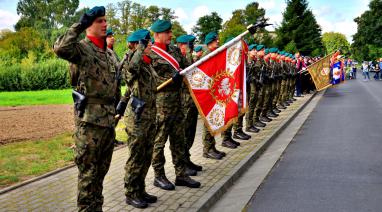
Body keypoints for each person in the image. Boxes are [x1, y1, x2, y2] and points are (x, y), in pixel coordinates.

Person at [54, 6, 120, 211]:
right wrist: (79, 24)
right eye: (99, 21)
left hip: (108, 121)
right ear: (88, 26)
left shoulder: (109, 54)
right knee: (88, 175)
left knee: (100, 174)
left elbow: (115, 84)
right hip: (89, 123)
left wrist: (118, 110)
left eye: (105, 20)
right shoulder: (81, 49)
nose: (105, 24)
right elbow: (60, 48)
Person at [150, 20, 200, 191]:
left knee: (179, 140)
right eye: (167, 32)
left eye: (171, 32)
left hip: (178, 102)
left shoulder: (173, 50)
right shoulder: (150, 53)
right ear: (157, 34)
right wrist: (171, 80)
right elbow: (150, 79)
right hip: (161, 105)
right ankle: (159, 175)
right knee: (159, 142)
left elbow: (186, 68)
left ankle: (181, 174)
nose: (171, 35)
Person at [120, 29, 158, 208]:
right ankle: (131, 192)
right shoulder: (130, 60)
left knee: (146, 155)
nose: (150, 45)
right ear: (136, 44)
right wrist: (139, 51)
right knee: (136, 156)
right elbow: (130, 72)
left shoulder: (146, 62)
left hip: (149, 115)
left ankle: (140, 189)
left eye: (149, 42)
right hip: (136, 117)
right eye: (145, 42)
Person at [176, 34, 203, 175]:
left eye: (191, 44)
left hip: (192, 101)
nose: (191, 47)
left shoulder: (190, 57)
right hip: (184, 101)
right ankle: (183, 162)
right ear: (182, 45)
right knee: (184, 134)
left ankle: (187, 158)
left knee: (191, 132)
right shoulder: (177, 58)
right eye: (188, 44)